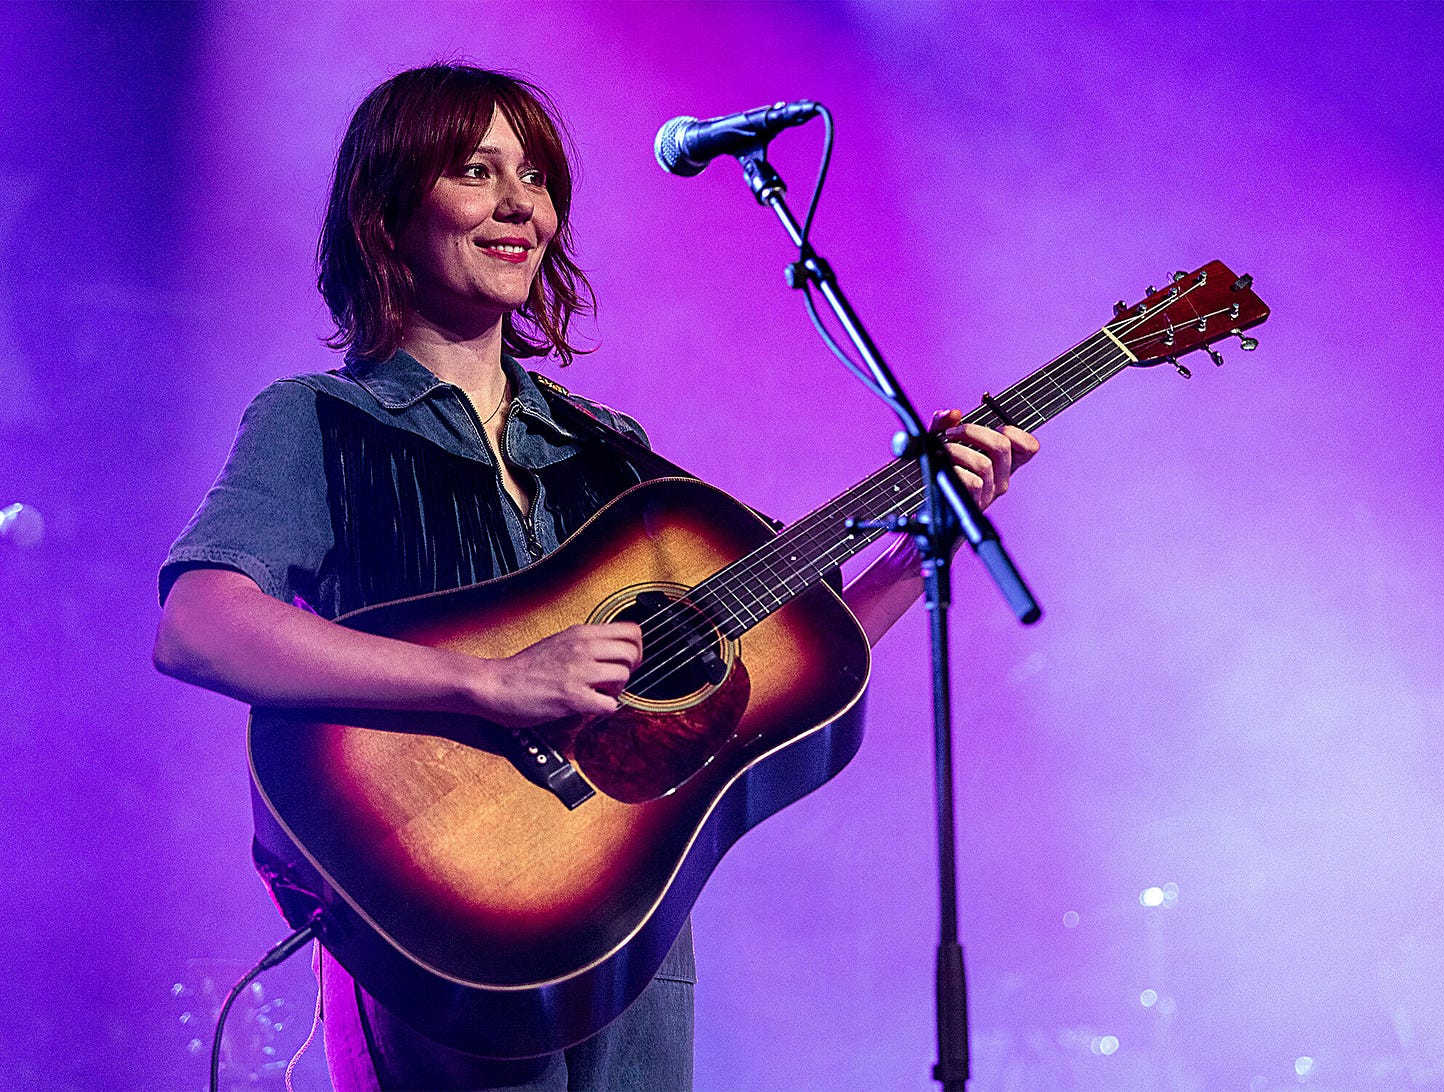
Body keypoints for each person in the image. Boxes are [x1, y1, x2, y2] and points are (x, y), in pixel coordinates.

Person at [153, 64, 1038, 1091]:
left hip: (632, 933)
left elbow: (773, 654)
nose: (520, 201)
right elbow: (199, 626)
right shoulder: (318, 420)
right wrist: (492, 681)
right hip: (434, 932)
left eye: (534, 175)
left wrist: (908, 548)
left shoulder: (611, 452)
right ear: (387, 214)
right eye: (476, 171)